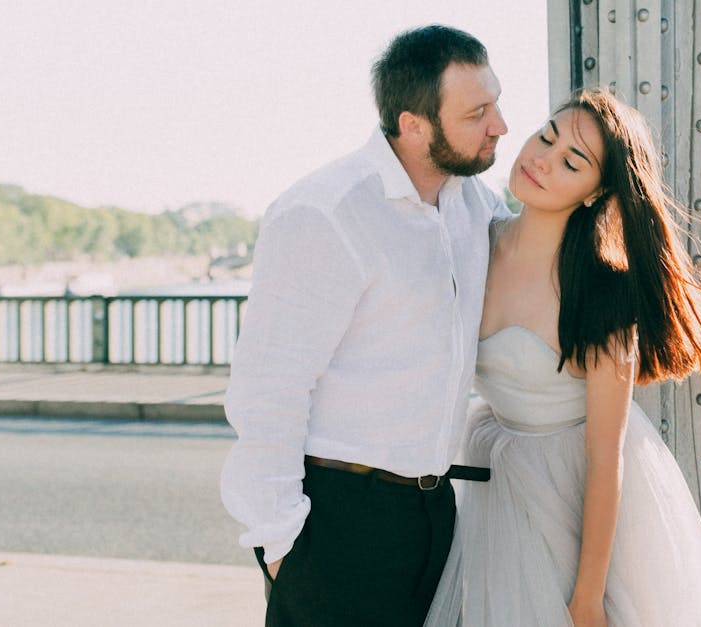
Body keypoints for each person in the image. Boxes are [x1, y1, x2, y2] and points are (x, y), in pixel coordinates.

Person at [219, 25, 509, 627]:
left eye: (495, 103)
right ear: (414, 125)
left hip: (436, 513)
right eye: (477, 112)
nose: (499, 125)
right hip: (339, 520)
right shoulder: (325, 213)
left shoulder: (475, 204)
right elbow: (269, 388)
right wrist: (281, 545)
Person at [425, 88, 701, 626]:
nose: (542, 160)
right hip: (497, 480)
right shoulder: (472, 244)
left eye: (571, 162)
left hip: (580, 493)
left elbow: (604, 457)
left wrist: (588, 595)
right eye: (546, 137)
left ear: (596, 193)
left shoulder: (603, 292)